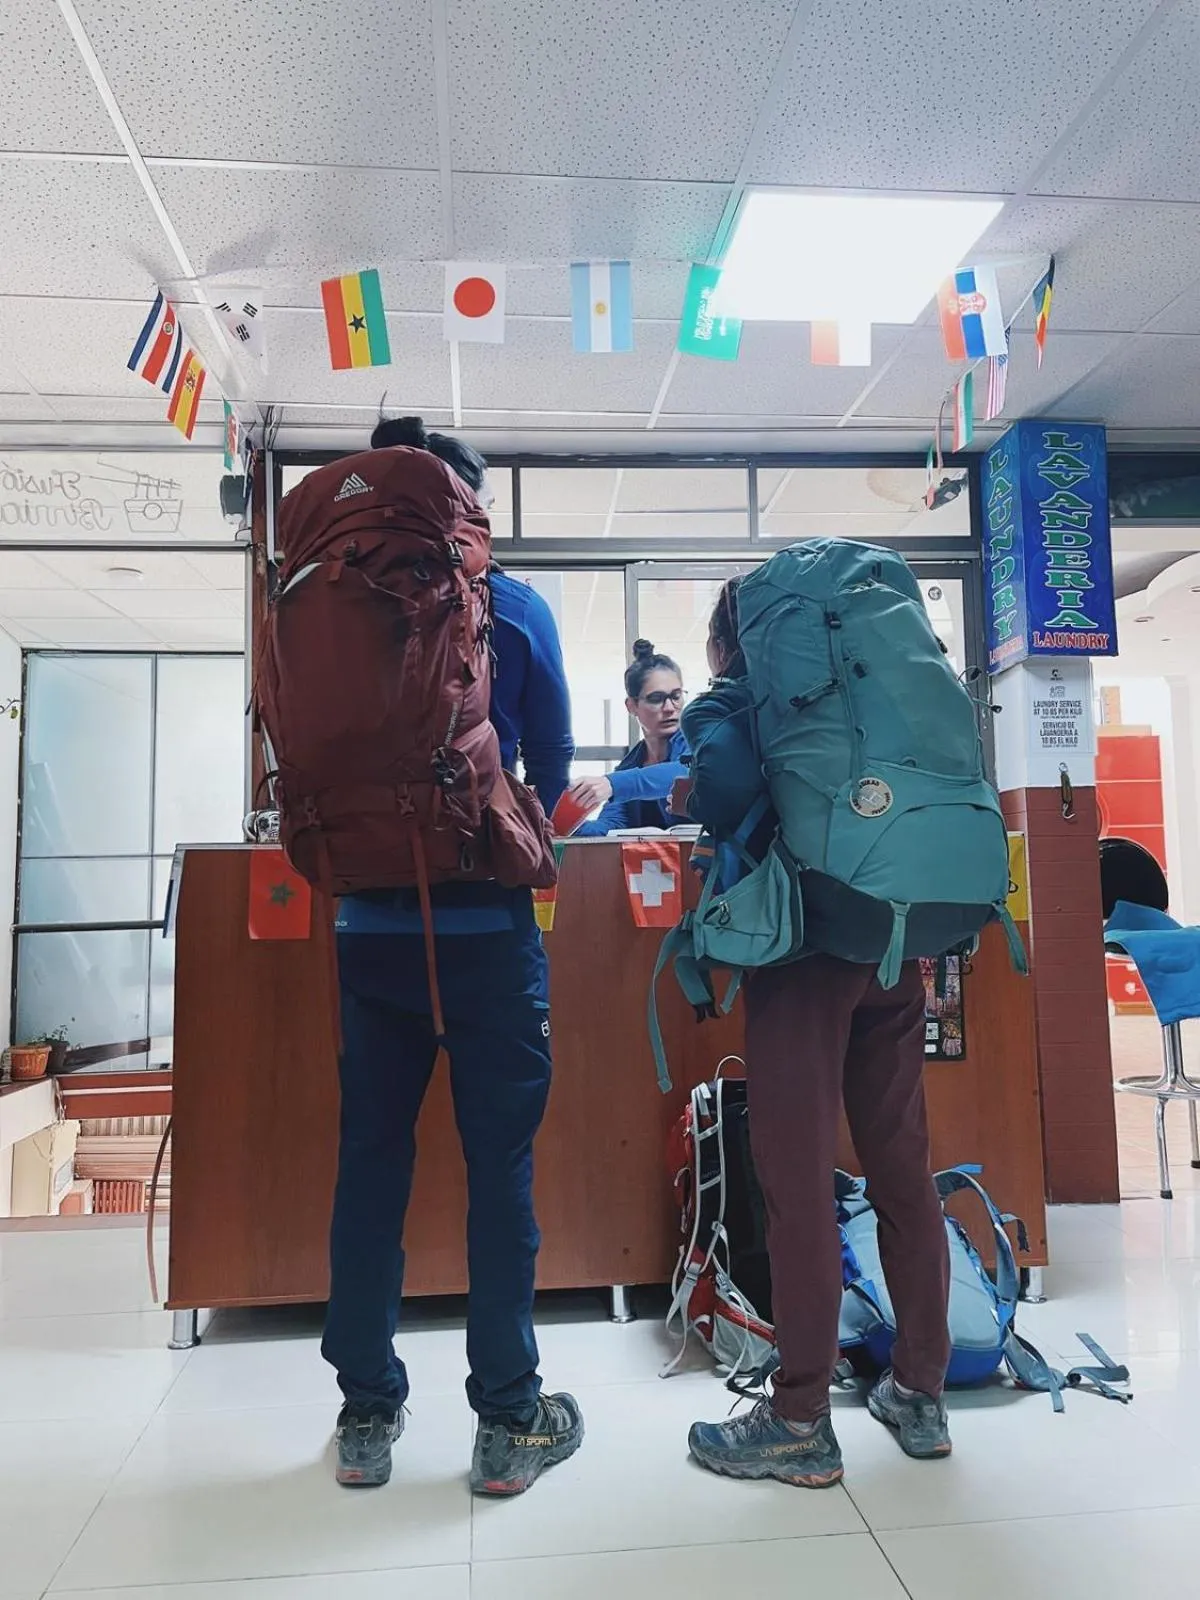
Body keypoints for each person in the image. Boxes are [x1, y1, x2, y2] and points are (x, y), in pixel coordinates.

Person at [323, 416, 584, 1496]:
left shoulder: (322, 596)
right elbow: (557, 763)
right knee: (499, 1169)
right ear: (473, 507)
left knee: (372, 1163)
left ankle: (367, 1415)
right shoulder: (513, 606)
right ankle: (507, 1418)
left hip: (367, 930)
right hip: (484, 929)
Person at [686, 578, 952, 1488]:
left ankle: (800, 1415)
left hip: (800, 954)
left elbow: (719, 794)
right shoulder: (872, 685)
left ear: (730, 642)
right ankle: (920, 1390)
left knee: (796, 1183)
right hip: (892, 940)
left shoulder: (738, 693)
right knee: (901, 1171)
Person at [569, 640, 691, 835]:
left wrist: (612, 784)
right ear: (631, 706)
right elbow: (610, 827)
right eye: (656, 699)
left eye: (676, 696)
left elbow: (687, 773)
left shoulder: (696, 744)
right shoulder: (629, 766)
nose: (669, 708)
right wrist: (562, 824)